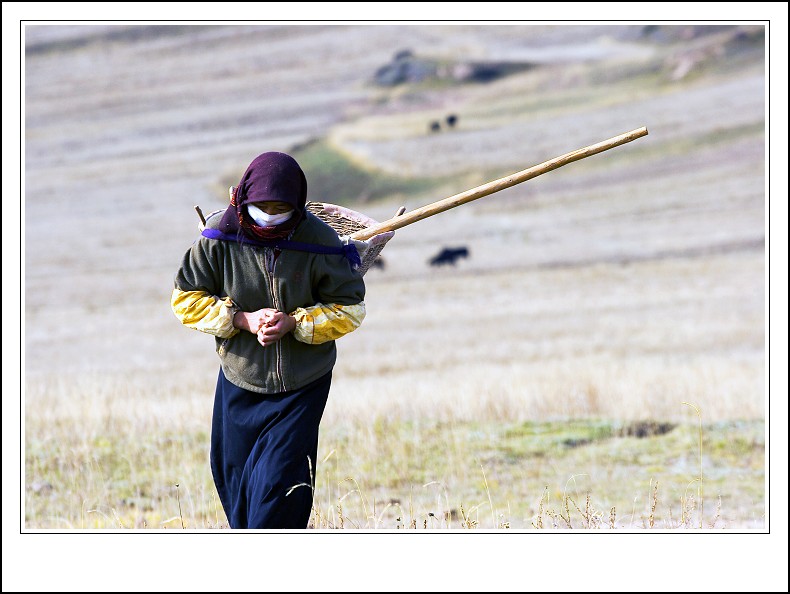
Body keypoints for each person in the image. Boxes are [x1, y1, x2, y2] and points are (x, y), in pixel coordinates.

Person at [171, 151, 366, 529]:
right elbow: (185, 299)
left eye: (281, 207)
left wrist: (295, 323)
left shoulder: (321, 242)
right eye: (262, 206)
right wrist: (241, 319)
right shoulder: (218, 240)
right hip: (240, 380)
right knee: (235, 482)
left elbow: (350, 308)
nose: (271, 214)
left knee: (280, 485)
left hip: (302, 385)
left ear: (297, 205)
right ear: (244, 199)